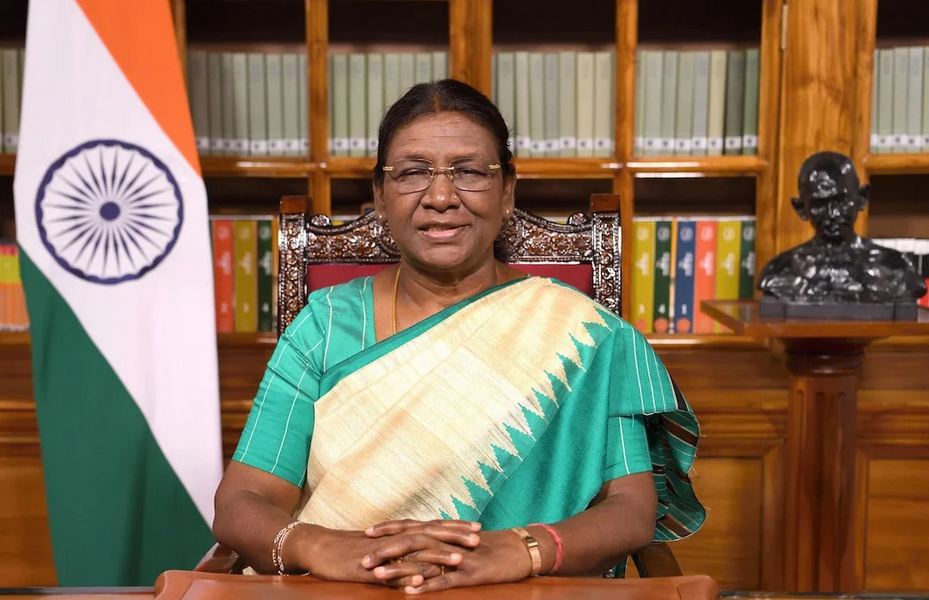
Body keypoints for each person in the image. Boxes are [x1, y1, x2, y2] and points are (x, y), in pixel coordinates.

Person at [212, 79, 705, 594]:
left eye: (469, 172)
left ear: (507, 191)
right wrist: (325, 547)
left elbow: (630, 508)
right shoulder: (325, 325)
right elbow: (243, 498)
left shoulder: (583, 335)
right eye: (412, 173)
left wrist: (522, 548)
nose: (441, 197)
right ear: (380, 195)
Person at [759, 151, 926, 304]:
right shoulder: (781, 271)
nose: (833, 213)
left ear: (861, 199)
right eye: (820, 204)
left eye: (842, 201)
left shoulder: (897, 268)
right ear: (801, 209)